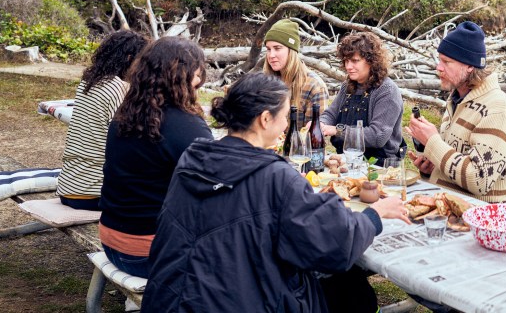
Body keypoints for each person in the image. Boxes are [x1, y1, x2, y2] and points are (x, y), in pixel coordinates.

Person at [141, 72, 411, 312]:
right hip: (237, 300)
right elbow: (335, 244)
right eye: (284, 117)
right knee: (349, 287)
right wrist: (374, 215)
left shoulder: (194, 158)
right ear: (265, 119)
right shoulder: (275, 176)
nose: (286, 125)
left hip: (167, 297)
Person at [98, 37, 212, 278]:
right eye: (197, 73)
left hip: (111, 240)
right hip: (150, 254)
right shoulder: (186, 125)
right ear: (181, 75)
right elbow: (215, 184)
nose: (199, 80)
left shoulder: (125, 115)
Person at [406, 21, 506, 203]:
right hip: (450, 210)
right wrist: (433, 168)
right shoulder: (456, 99)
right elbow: (455, 162)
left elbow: (479, 180)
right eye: (439, 60)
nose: (438, 67)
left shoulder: (499, 109)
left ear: (469, 66)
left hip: (484, 217)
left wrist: (432, 142)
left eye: (446, 62)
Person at [56, 30, 149, 211]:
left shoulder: (89, 81)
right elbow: (129, 141)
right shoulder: (119, 89)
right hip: (95, 193)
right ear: (130, 59)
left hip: (69, 187)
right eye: (142, 61)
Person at [321, 31, 404, 161]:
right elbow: (331, 114)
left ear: (371, 61)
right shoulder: (347, 86)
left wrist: (337, 131)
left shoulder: (387, 91)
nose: (348, 66)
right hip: (346, 159)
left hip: (379, 165)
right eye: (346, 61)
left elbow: (378, 136)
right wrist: (321, 124)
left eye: (355, 61)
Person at [262, 18, 329, 153]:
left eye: (277, 48)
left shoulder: (314, 86)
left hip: (298, 157)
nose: (271, 55)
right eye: (268, 49)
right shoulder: (265, 82)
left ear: (291, 51)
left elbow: (314, 140)